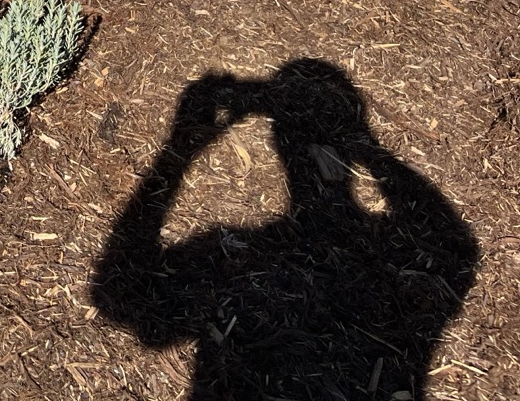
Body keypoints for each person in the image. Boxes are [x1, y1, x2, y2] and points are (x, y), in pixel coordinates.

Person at [92, 59, 478, 400]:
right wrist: (367, 148)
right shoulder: (389, 257)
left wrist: (179, 148)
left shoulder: (242, 255)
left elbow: (119, 295)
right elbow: (455, 242)